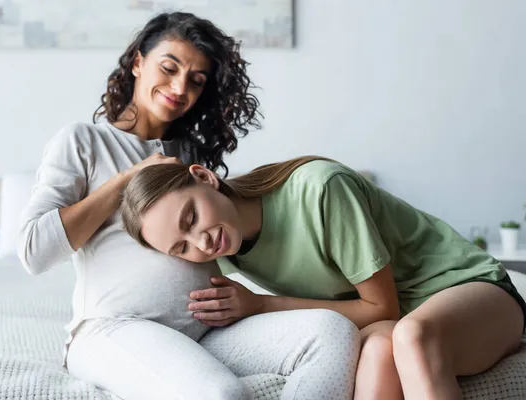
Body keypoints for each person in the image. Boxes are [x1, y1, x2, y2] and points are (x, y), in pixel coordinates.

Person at [18, 12, 360, 400]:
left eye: (196, 81)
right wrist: (126, 180)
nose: (180, 87)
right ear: (137, 63)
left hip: (206, 331)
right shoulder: (84, 142)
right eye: (169, 67)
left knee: (331, 332)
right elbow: (34, 251)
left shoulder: (190, 156)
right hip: (115, 327)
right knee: (221, 394)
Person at [121, 155, 526, 400]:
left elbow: (381, 305)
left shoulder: (321, 188)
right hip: (395, 321)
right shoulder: (225, 254)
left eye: (191, 218)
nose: (201, 242)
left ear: (205, 177)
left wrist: (262, 304)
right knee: (380, 352)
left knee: (411, 337)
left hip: (471, 290)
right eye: (181, 248)